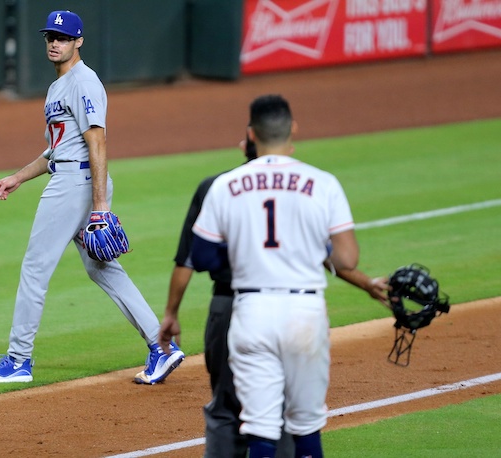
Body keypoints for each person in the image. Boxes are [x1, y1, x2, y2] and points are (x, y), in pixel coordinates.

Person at [0, 10, 184, 385]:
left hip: (76, 185)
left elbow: (96, 141)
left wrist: (100, 205)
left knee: (35, 269)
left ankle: (19, 359)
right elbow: (57, 150)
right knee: (102, 268)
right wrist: (19, 177)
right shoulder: (58, 87)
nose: (55, 43)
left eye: (63, 37)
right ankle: (161, 347)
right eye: (51, 36)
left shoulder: (85, 82)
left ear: (79, 41)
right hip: (72, 178)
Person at [159, 133, 389, 458]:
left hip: (235, 308)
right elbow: (332, 255)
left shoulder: (219, 186)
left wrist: (171, 312)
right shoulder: (307, 185)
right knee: (293, 417)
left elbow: (191, 258)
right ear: (287, 146)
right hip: (301, 312)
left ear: (246, 145)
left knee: (230, 411)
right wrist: (366, 283)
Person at [190, 94, 358, 458]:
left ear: (251, 134)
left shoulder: (227, 185)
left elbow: (201, 255)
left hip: (251, 311)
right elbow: (346, 259)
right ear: (293, 129)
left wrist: (243, 250)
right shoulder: (323, 182)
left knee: (260, 427)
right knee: (306, 423)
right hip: (304, 315)